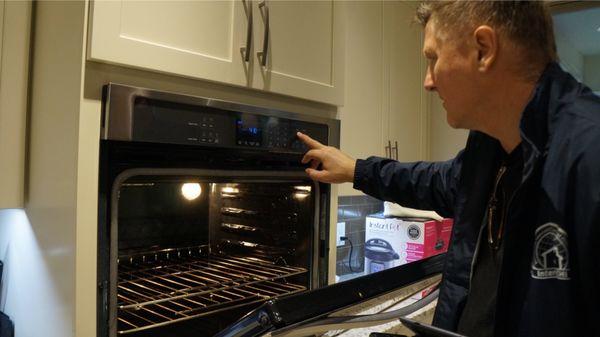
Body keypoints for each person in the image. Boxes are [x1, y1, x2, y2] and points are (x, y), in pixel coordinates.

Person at [297, 1, 600, 337]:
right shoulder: (489, 146)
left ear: (484, 49)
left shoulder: (589, 154)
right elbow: (434, 182)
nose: (428, 81)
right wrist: (356, 169)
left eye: (433, 58)